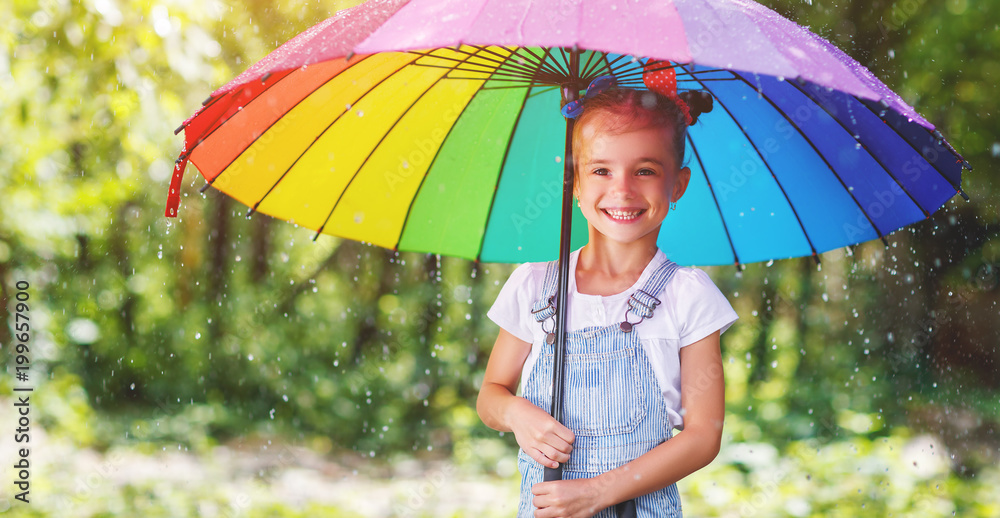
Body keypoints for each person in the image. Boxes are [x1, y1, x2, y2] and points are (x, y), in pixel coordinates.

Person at [477, 68, 739, 518]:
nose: (623, 189)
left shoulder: (687, 295)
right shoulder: (536, 285)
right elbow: (491, 395)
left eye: (646, 170)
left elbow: (702, 437)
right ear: (575, 183)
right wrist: (517, 414)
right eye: (601, 169)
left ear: (677, 184)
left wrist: (599, 492)